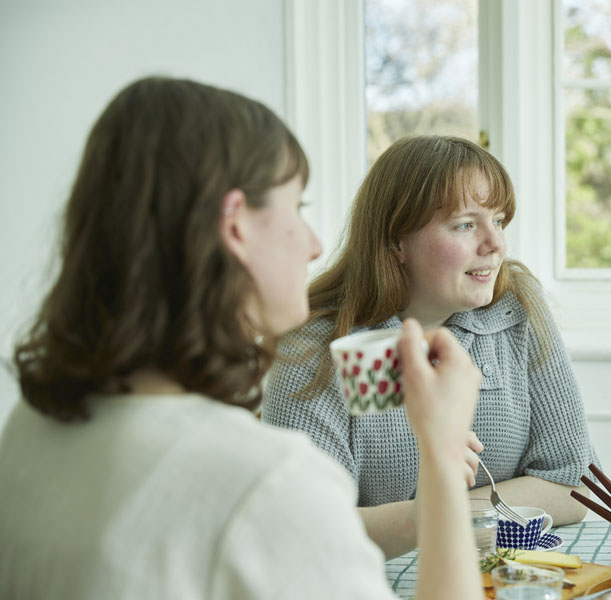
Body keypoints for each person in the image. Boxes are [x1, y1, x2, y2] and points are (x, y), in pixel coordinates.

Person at [0, 77, 483, 600]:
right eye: (297, 208)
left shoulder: (34, 426)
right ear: (235, 226)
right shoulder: (268, 484)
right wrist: (440, 451)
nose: (316, 245)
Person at [262, 135, 596, 559]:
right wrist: (438, 508)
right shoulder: (317, 346)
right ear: (396, 241)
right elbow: (305, 526)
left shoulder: (516, 307)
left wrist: (437, 512)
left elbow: (573, 485)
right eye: (465, 224)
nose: (495, 244)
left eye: (498, 220)